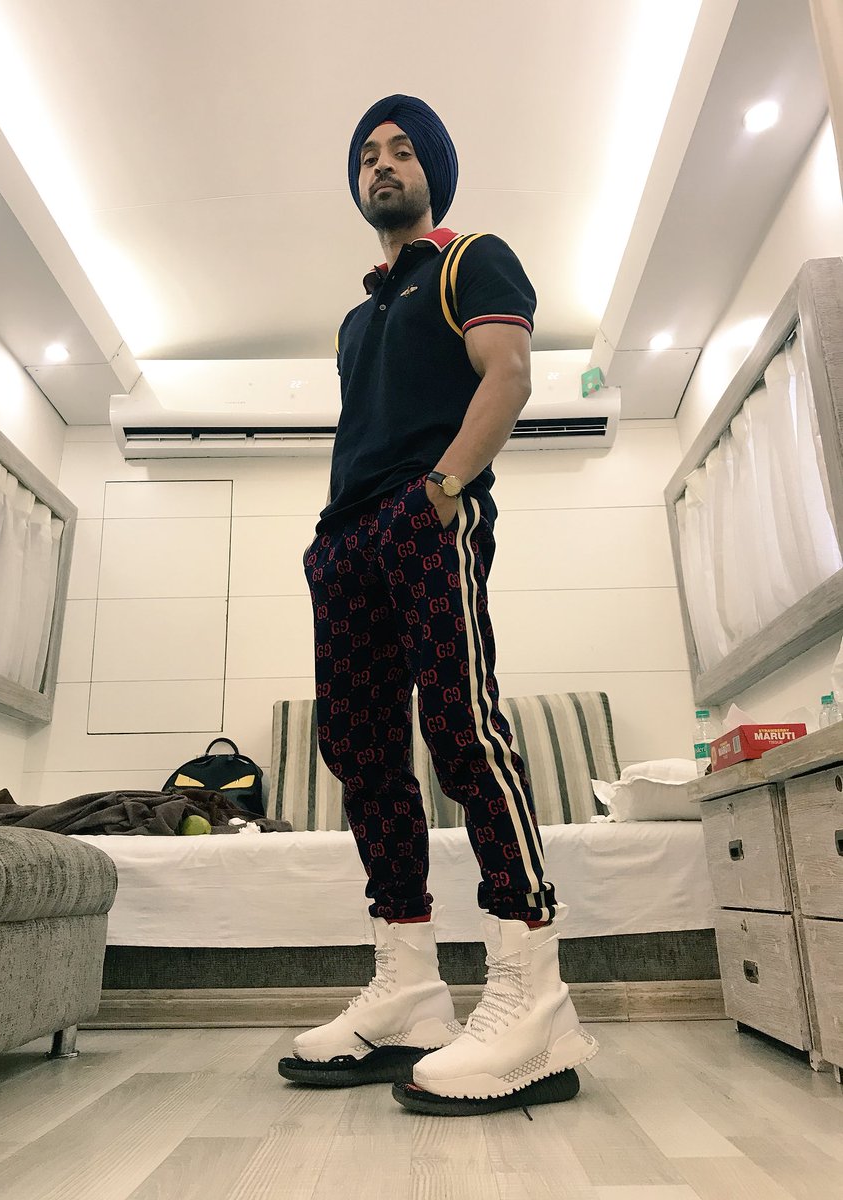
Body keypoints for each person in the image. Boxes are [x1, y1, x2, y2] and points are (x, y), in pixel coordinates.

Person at [277, 95, 597, 1115]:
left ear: (434, 172)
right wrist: (332, 544)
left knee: (461, 726)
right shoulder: (356, 319)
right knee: (359, 752)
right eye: (367, 154)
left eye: (402, 150)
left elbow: (508, 376)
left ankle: (534, 995)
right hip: (346, 541)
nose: (382, 164)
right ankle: (410, 989)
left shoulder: (472, 261)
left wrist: (442, 493)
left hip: (425, 518)